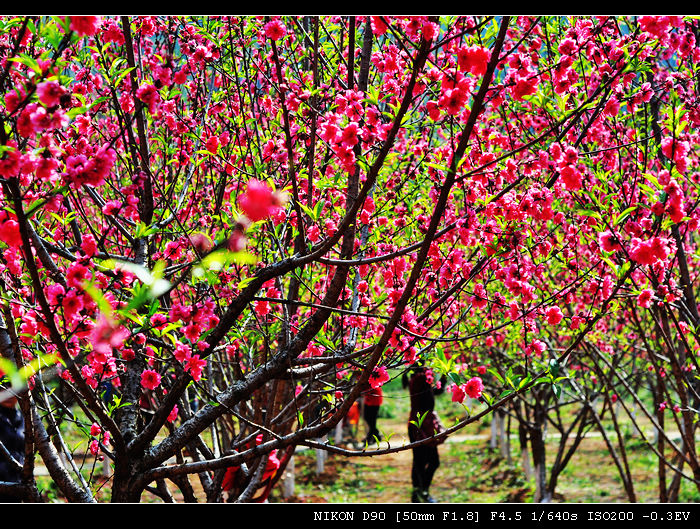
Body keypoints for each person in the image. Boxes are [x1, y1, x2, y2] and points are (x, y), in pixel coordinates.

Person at [403, 365, 444, 503]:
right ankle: (422, 492)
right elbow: (431, 397)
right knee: (429, 461)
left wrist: (443, 377)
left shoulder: (416, 378)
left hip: (419, 424)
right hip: (421, 426)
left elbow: (436, 392)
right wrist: (443, 375)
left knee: (420, 461)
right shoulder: (420, 379)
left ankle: (418, 493)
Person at [0, 391, 24, 503]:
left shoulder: (25, 418)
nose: (8, 394)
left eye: (12, 389)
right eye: (2, 389)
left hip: (19, 483)